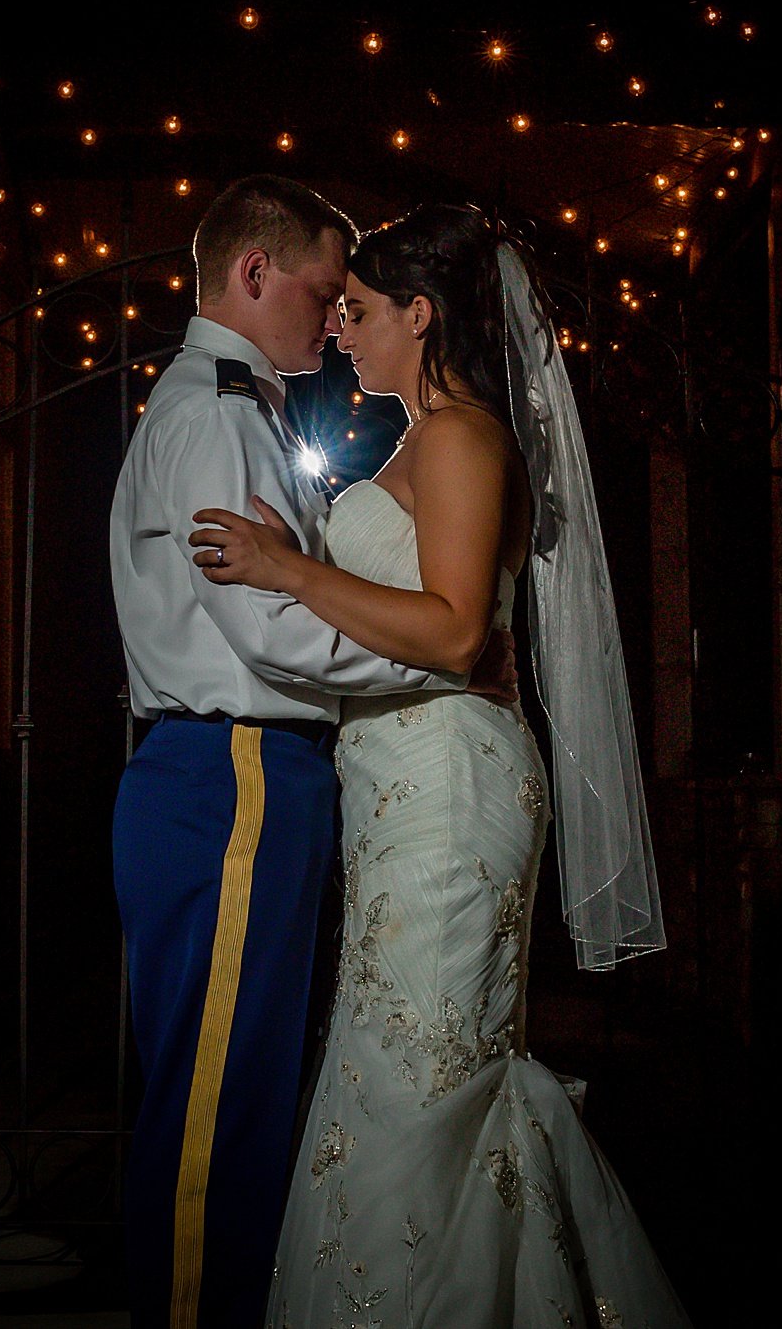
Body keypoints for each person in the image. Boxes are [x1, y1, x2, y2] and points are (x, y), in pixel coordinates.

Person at [187, 205, 689, 1328]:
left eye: (360, 312)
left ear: (422, 315)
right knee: (408, 1073)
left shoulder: (462, 435)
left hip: (450, 789)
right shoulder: (416, 439)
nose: (343, 334)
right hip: (399, 788)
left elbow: (459, 632)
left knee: (425, 1082)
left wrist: (289, 568)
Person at [109, 176, 516, 1329]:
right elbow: (269, 629)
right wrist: (435, 664)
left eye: (356, 300)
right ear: (254, 275)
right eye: (323, 291)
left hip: (245, 771)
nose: (334, 318)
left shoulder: (237, 406)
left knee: (238, 1100)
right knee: (214, 1115)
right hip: (234, 768)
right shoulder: (215, 412)